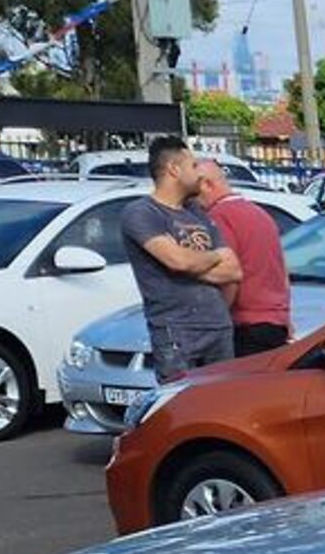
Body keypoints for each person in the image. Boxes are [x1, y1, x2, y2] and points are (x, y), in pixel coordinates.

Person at [118, 139, 239, 381]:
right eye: (193, 166)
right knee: (180, 405)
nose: (199, 175)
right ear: (174, 169)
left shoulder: (196, 212)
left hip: (218, 327)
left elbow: (233, 270)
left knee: (223, 405)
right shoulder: (142, 213)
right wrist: (213, 257)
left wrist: (192, 263)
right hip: (177, 331)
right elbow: (177, 261)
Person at [194, 164, 290, 358]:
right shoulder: (259, 213)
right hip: (276, 321)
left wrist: (218, 318)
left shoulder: (219, 217)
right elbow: (283, 271)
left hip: (246, 324)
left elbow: (229, 274)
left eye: (192, 190)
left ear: (206, 185)